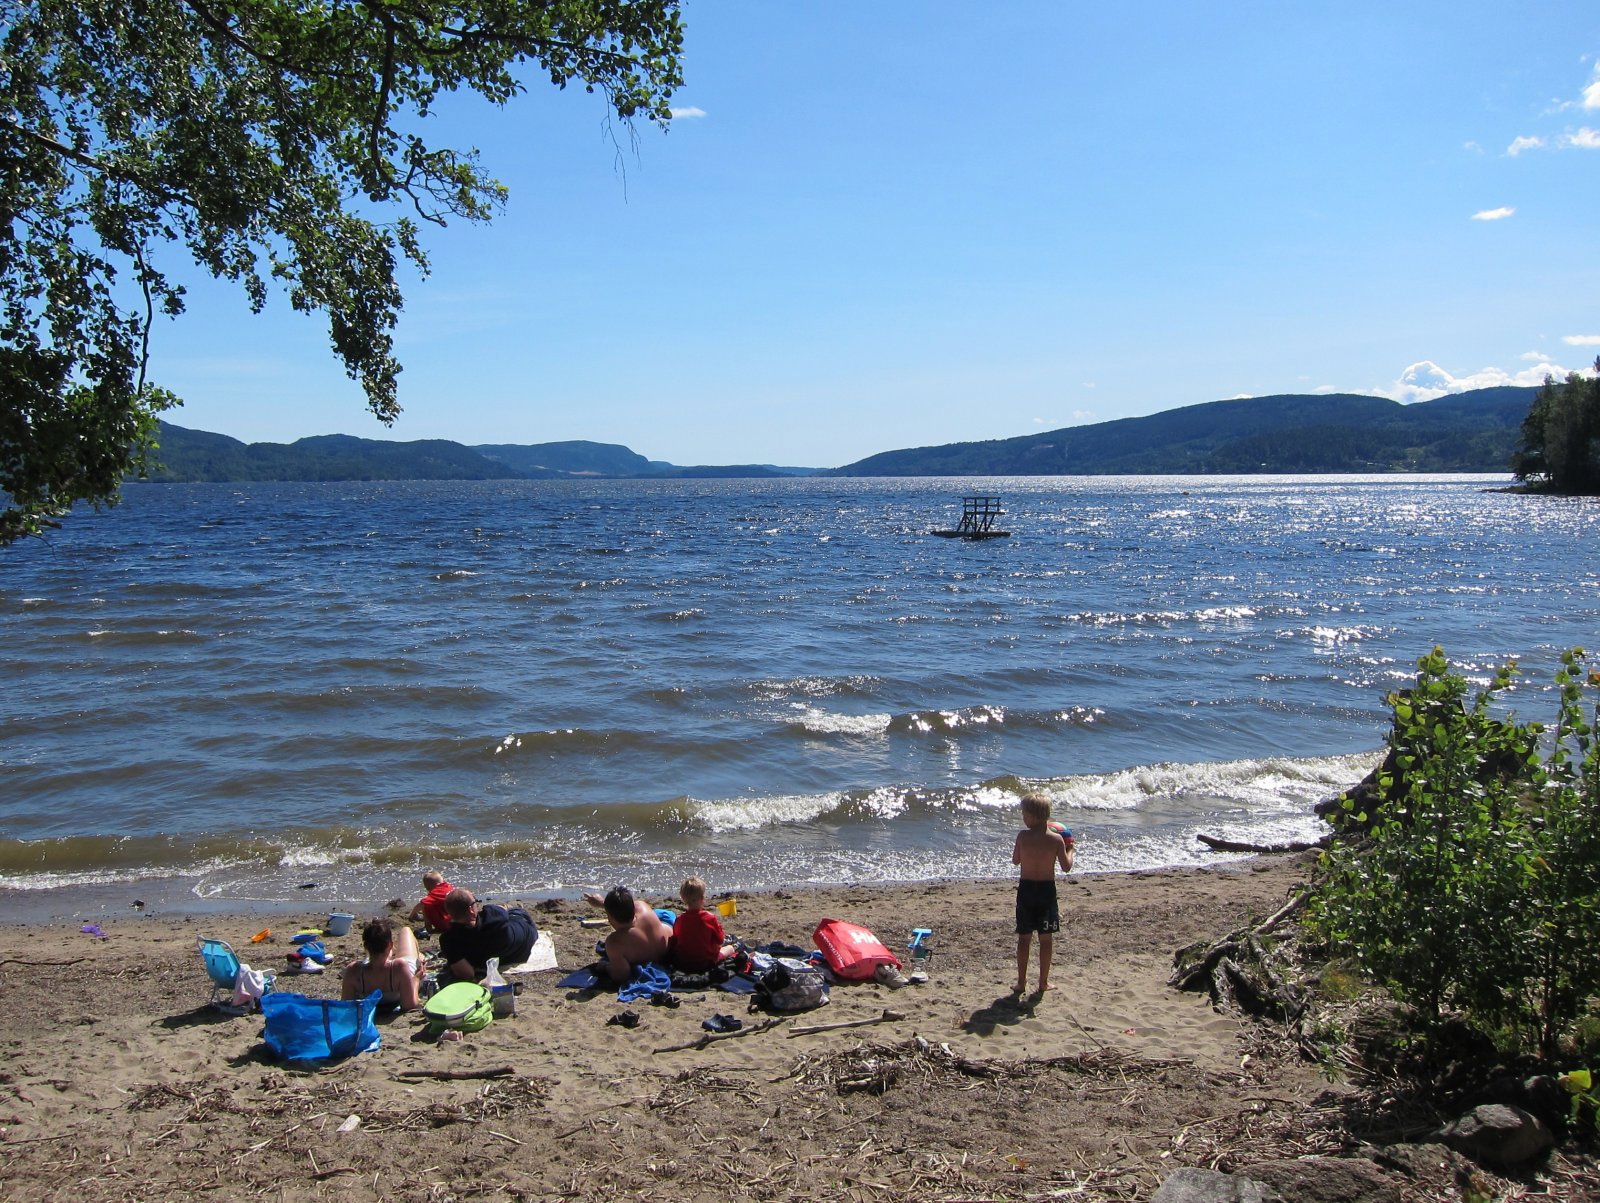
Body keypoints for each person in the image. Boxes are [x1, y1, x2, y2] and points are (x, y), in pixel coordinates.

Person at [1011, 793, 1075, 996]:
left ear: (1032, 816)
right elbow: (1066, 867)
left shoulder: (1022, 836)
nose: (1023, 817)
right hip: (1047, 891)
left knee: (1024, 937)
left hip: (1026, 890)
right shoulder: (1056, 839)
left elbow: (1016, 860)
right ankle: (1043, 982)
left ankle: (1021, 982)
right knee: (1046, 939)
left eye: (1024, 814)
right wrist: (1070, 849)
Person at [438, 888, 538, 983]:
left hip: (507, 957)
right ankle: (515, 907)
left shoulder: (448, 940)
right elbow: (501, 909)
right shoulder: (492, 914)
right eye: (475, 902)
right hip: (526, 936)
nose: (476, 904)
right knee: (515, 911)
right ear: (471, 910)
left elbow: (468, 974)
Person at [583, 885, 670, 983]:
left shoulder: (614, 942)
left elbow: (621, 976)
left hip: (651, 958)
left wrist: (605, 967)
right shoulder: (642, 906)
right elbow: (626, 906)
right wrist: (603, 903)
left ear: (611, 918)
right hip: (666, 950)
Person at [341, 917, 426, 1011]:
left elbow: (345, 1006)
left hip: (372, 969)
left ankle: (382, 953)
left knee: (376, 956)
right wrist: (416, 979)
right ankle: (414, 955)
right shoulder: (400, 966)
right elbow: (408, 1005)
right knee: (406, 930)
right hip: (399, 973)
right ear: (390, 945)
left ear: (365, 946)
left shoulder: (353, 970)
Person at [667, 876, 735, 972]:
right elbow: (720, 940)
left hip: (683, 963)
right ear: (702, 898)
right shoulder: (710, 918)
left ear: (683, 899)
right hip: (706, 963)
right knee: (730, 948)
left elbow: (676, 938)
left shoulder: (680, 920)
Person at [407, 869, 453, 934]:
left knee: (426, 905)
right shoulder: (449, 887)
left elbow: (421, 904)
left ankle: (428, 928)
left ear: (428, 888)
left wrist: (412, 915)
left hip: (446, 925)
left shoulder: (436, 892)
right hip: (457, 922)